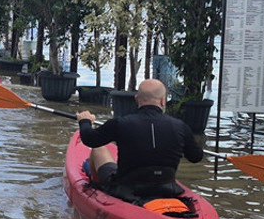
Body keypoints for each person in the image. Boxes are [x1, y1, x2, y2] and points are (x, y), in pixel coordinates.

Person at [75, 78, 203, 199]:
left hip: (127, 189)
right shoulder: (181, 126)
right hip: (167, 187)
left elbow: (89, 139)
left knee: (98, 149)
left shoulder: (120, 123)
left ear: (136, 99)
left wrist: (85, 121)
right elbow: (196, 157)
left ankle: (97, 189)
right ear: (163, 101)